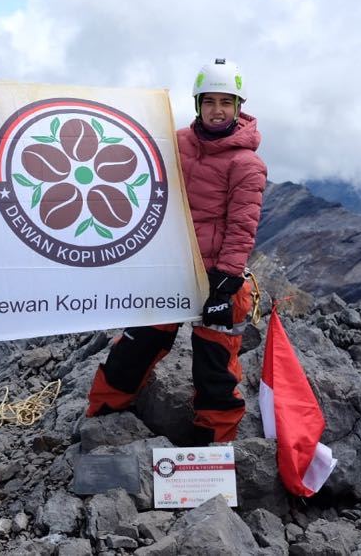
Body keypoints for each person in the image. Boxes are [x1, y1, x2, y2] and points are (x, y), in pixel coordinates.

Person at [85, 58, 267, 444]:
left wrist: (224, 283)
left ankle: (214, 447)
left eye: (226, 102)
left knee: (215, 367)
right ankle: (101, 415)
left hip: (217, 277)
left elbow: (242, 227)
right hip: (169, 267)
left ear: (238, 107)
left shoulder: (247, 164)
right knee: (135, 348)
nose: (217, 110)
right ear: (197, 103)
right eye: (210, 101)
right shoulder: (175, 141)